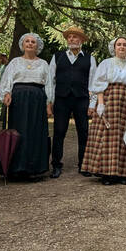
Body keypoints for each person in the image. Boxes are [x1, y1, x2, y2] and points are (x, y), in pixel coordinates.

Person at [82, 36, 126, 185]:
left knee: (124, 136)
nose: (122, 47)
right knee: (107, 136)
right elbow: (98, 83)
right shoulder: (106, 63)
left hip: (125, 103)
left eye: (124, 45)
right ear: (114, 47)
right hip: (109, 99)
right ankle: (106, 173)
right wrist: (100, 104)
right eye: (119, 45)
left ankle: (122, 173)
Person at [0, 33, 53, 179]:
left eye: (33, 42)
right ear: (22, 44)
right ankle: (14, 168)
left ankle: (34, 168)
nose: (30, 44)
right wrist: (6, 93)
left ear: (38, 46)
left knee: (34, 133)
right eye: (27, 41)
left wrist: (49, 103)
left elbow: (48, 85)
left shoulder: (43, 64)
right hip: (18, 100)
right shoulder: (15, 62)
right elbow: (6, 79)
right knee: (17, 132)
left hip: (37, 101)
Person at [48, 26, 97, 178]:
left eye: (75, 37)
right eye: (69, 37)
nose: (72, 39)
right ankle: (56, 165)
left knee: (83, 132)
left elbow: (94, 83)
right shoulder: (57, 56)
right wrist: (49, 101)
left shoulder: (90, 58)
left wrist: (92, 104)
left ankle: (83, 164)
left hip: (81, 99)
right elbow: (50, 80)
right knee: (59, 132)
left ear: (81, 40)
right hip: (61, 99)